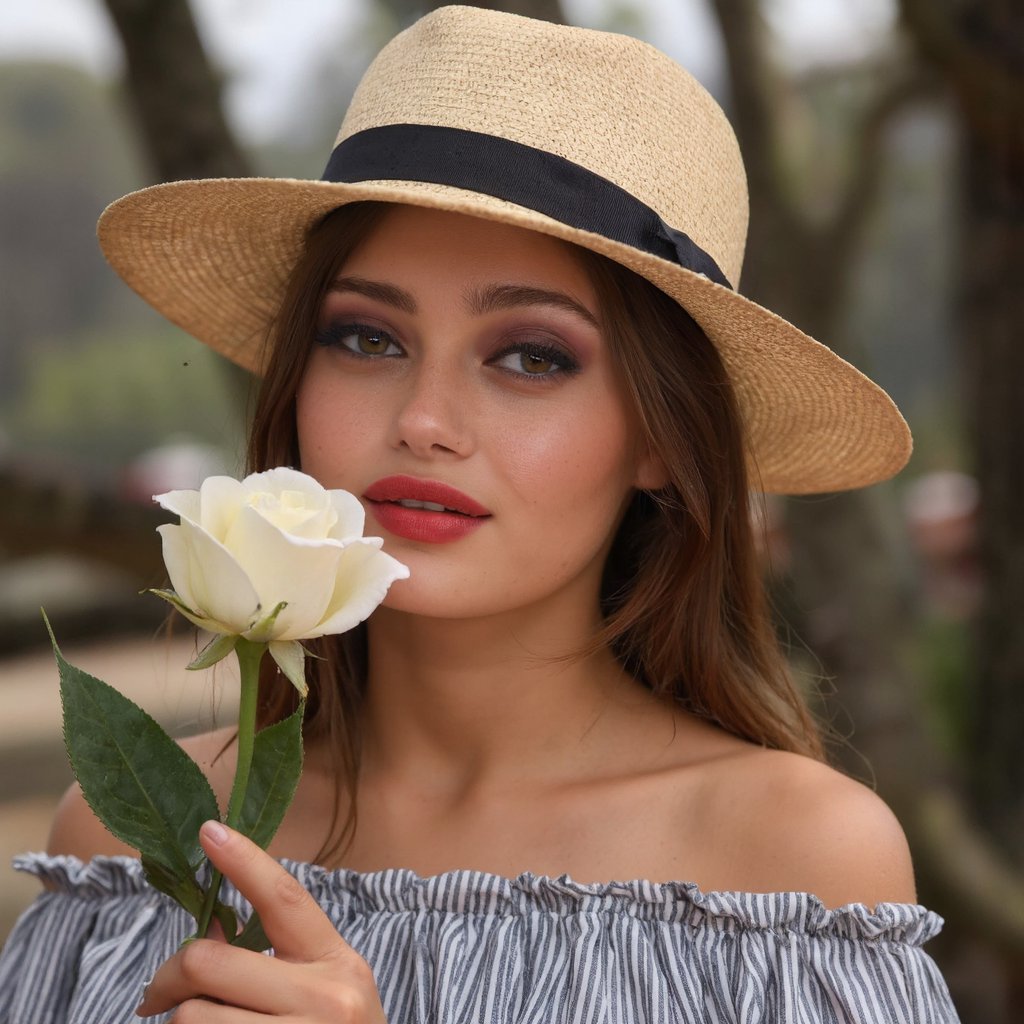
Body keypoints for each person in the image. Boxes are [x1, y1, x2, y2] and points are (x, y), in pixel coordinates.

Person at [0, 6, 959, 1022]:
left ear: (662, 438)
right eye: (366, 338)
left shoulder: (790, 865)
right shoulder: (137, 840)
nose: (422, 421)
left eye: (531, 356)